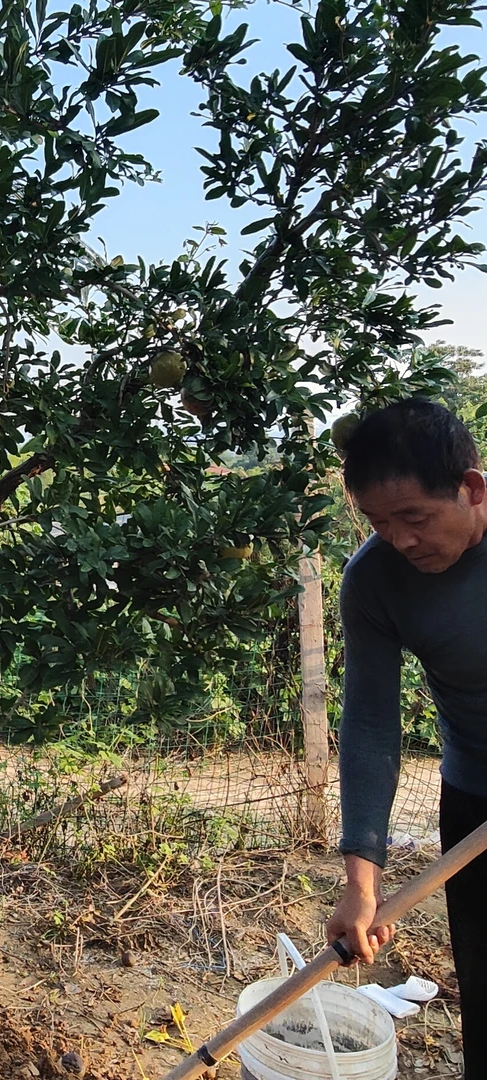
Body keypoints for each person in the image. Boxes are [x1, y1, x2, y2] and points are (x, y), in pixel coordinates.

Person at [326, 397, 487, 1079]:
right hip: (475, 794)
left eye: (415, 517)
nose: (401, 540)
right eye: (378, 523)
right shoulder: (374, 582)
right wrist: (361, 878)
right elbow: (369, 721)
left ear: (473, 489)